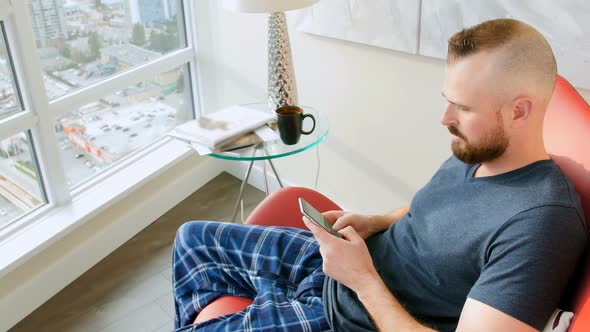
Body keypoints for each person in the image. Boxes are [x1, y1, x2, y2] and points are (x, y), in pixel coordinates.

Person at [172, 18, 587, 332]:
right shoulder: (479, 149)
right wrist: (378, 221)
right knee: (191, 239)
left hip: (348, 316)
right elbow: (440, 210)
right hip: (345, 264)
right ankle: (267, 297)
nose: (444, 118)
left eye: (463, 107)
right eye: (448, 100)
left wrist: (361, 279)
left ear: (519, 110)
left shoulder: (542, 223)